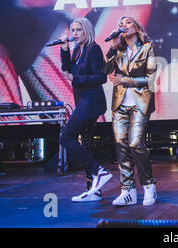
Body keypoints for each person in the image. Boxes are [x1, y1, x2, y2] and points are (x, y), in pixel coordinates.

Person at [103, 16, 158, 206]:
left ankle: (149, 186)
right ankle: (128, 190)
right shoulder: (118, 50)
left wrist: (125, 80)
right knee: (121, 144)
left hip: (141, 103)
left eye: (127, 22)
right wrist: (112, 46)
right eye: (120, 24)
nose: (123, 26)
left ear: (136, 26)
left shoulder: (147, 47)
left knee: (135, 144)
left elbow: (150, 79)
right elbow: (104, 70)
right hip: (120, 105)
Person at [59, 17, 112, 202]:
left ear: (87, 31)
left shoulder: (93, 49)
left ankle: (100, 173)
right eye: (72, 30)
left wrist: (77, 79)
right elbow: (67, 71)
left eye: (78, 30)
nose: (74, 34)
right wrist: (64, 51)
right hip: (83, 101)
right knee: (86, 143)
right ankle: (93, 189)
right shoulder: (77, 50)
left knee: (66, 137)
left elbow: (101, 77)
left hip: (91, 101)